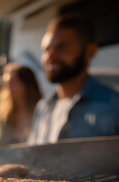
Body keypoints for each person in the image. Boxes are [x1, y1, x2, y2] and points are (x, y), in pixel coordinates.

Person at [28, 14, 119, 145]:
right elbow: (31, 157)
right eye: (46, 49)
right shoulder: (43, 108)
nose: (50, 56)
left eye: (62, 48)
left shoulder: (113, 107)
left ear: (90, 52)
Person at [0, 63, 42, 148]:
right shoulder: (4, 114)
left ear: (26, 84)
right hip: (6, 160)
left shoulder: (42, 110)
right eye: (6, 84)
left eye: (13, 83)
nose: (9, 88)